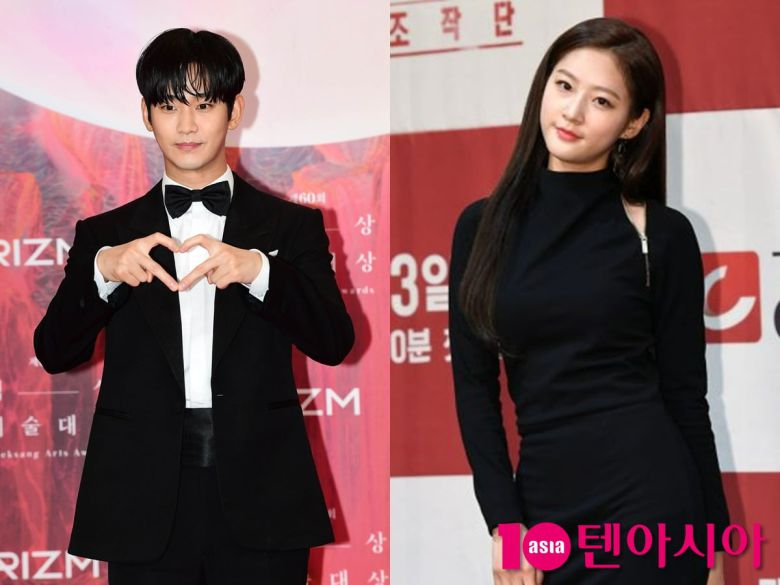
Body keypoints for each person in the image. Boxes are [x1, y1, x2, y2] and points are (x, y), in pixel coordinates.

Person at [33, 28, 354, 585]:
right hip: (142, 497)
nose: (186, 125)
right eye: (169, 106)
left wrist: (260, 272)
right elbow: (54, 352)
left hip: (262, 493)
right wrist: (102, 273)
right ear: (145, 114)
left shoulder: (290, 228)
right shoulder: (107, 236)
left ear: (235, 111)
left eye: (204, 106)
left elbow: (333, 342)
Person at [449, 17, 729, 585]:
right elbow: (474, 392)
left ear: (634, 122)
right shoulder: (481, 227)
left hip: (651, 509)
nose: (573, 112)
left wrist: (715, 546)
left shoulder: (660, 234)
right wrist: (506, 527)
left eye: (602, 100)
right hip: (545, 510)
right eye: (564, 85)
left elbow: (686, 399)